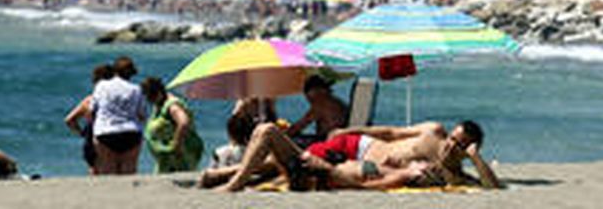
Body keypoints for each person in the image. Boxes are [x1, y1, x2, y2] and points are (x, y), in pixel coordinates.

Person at [212, 119, 500, 192]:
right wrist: (351, 129)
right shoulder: (432, 131)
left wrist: (477, 159)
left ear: (467, 151)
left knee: (289, 161)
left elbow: (492, 187)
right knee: (292, 158)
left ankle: (224, 175)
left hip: (349, 166)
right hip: (360, 146)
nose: (450, 145)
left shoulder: (451, 173)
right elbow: (390, 131)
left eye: (458, 145)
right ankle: (229, 176)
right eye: (452, 138)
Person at [89, 56, 147, 174]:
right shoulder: (136, 89)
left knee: (108, 172)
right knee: (129, 172)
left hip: (105, 132)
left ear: (114, 70)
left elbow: (92, 110)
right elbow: (142, 114)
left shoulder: (101, 86)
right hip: (131, 132)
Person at [140, 76, 203, 174]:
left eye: (150, 97)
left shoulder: (172, 105)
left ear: (159, 92)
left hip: (178, 157)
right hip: (167, 158)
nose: (150, 101)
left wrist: (176, 145)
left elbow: (183, 122)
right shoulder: (160, 104)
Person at [64, 63, 113, 175]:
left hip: (91, 137)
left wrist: (81, 133)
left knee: (93, 170)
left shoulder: (89, 100)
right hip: (108, 136)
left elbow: (69, 120)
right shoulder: (115, 101)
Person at [289, 75, 349, 144]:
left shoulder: (321, 103)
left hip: (329, 139)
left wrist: (285, 134)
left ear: (314, 91)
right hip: (339, 137)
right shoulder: (335, 101)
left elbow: (301, 124)